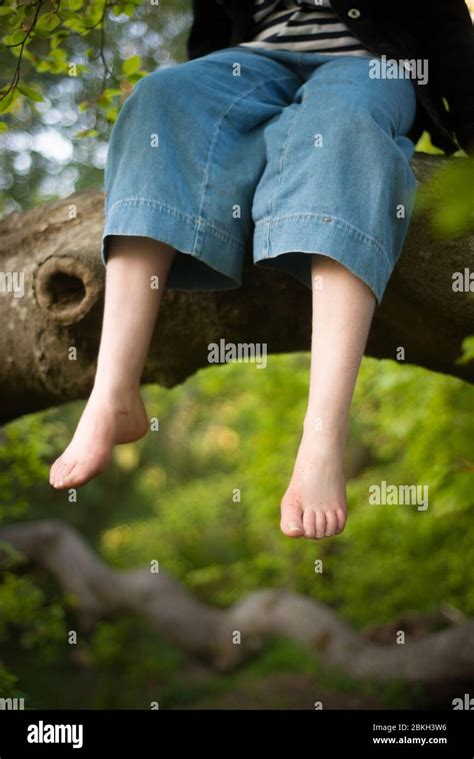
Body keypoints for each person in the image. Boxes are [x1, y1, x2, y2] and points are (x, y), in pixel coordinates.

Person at [50, 0, 474, 540]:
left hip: (371, 64)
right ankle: (112, 395)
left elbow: (446, 28)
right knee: (161, 97)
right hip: (254, 58)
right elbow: (211, 32)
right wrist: (223, 134)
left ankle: (322, 437)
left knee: (342, 127)